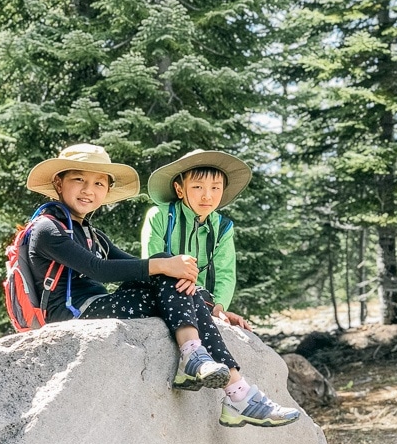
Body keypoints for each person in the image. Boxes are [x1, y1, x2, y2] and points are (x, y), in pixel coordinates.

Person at [26, 143, 299, 428]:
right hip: (74, 315)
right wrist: (164, 266)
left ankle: (225, 382)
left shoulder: (91, 232)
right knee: (162, 264)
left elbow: (144, 269)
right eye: (79, 180)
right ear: (59, 182)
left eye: (98, 183)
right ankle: (228, 386)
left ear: (106, 191)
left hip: (97, 307)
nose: (88, 189)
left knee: (163, 265)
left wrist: (212, 306)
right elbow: (99, 270)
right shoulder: (47, 228)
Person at [141, 149, 251, 329]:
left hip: (204, 303)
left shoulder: (223, 227)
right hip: (164, 297)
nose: (207, 195)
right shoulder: (160, 216)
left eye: (215, 187)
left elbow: (225, 272)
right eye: (198, 186)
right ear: (179, 189)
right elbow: (152, 263)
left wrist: (219, 307)